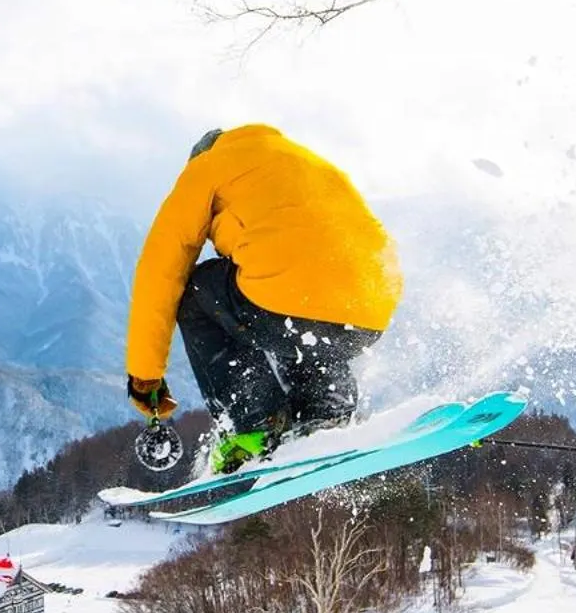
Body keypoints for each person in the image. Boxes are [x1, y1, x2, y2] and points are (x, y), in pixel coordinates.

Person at [125, 125, 402, 473]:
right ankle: (326, 413)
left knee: (202, 293)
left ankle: (253, 425)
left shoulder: (206, 167)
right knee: (298, 316)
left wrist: (145, 377)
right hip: (370, 313)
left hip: (287, 302)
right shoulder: (306, 160)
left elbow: (159, 272)